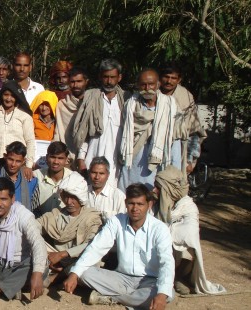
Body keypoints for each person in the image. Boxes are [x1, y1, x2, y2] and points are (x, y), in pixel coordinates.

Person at [63, 183, 174, 309]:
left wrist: (161, 294)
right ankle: (130, 298)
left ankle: (111, 297)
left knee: (167, 294)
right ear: (126, 203)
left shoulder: (159, 228)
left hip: (149, 281)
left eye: (140, 204)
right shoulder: (116, 221)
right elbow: (97, 247)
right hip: (121, 278)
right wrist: (75, 274)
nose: (135, 208)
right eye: (131, 203)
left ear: (149, 205)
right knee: (83, 272)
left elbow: (167, 262)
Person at [153, 167, 225, 295]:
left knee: (188, 247)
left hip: (174, 251)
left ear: (168, 189)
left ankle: (177, 277)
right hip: (156, 249)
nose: (154, 191)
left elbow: (189, 234)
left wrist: (165, 232)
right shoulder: (154, 202)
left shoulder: (188, 207)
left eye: (158, 188)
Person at [118, 69, 179, 191]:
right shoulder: (130, 106)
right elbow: (121, 137)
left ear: (158, 84)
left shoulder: (169, 106)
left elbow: (175, 142)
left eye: (151, 84)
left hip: (159, 165)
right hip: (132, 164)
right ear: (137, 85)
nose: (147, 88)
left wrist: (174, 174)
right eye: (143, 84)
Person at [37, 172, 101, 284]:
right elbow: (32, 227)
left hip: (76, 259)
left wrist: (63, 254)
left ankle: (57, 277)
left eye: (73, 198)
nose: (69, 202)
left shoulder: (92, 217)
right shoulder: (55, 215)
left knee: (91, 263)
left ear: (81, 197)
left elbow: (92, 244)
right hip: (53, 259)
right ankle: (59, 274)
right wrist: (47, 255)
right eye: (66, 197)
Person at [73, 59, 130, 181]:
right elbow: (84, 133)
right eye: (105, 77)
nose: (109, 81)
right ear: (100, 77)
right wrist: (81, 159)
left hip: (118, 161)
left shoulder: (127, 100)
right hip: (92, 157)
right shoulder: (90, 97)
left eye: (112, 77)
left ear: (119, 77)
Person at [159, 64, 207, 174]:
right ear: (160, 77)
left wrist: (189, 160)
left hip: (178, 150)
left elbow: (193, 132)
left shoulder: (186, 98)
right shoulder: (151, 95)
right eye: (166, 77)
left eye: (173, 78)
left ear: (179, 80)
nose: (169, 81)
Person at [0, 80, 34, 174]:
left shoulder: (24, 116)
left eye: (12, 96)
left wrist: (28, 165)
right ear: (1, 95)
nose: (8, 99)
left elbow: (30, 141)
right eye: (6, 95)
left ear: (17, 97)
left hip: (17, 163)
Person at [0, 142, 39, 211]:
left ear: (23, 161)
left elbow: (35, 209)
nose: (13, 164)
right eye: (10, 159)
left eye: (18, 161)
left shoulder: (31, 181)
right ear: (5, 156)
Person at [54, 67, 89, 166]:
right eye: (72, 82)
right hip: (67, 157)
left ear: (86, 82)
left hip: (88, 155)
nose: (76, 85)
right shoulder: (62, 105)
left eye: (79, 81)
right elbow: (58, 131)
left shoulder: (92, 103)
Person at [33, 142, 73, 216]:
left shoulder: (73, 178)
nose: (56, 162)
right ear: (47, 157)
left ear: (66, 159)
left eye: (60, 158)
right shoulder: (35, 176)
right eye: (53, 157)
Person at [87, 156, 126, 224]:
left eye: (101, 173)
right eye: (94, 172)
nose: (97, 177)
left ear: (108, 175)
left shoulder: (118, 196)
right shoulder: (82, 192)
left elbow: (122, 222)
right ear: (89, 173)